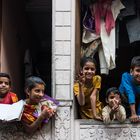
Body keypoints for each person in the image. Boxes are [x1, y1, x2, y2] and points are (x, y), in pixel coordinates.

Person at [119, 56, 140, 123]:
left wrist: (138, 116)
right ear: (131, 71)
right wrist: (133, 114)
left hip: (135, 104)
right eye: (138, 70)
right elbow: (130, 92)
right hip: (122, 102)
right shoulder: (125, 76)